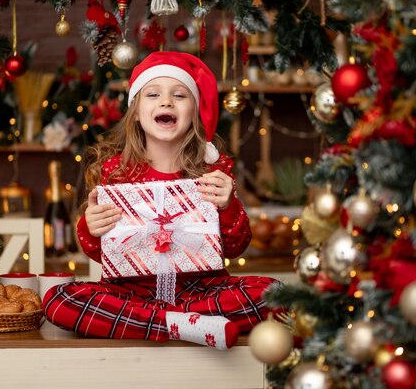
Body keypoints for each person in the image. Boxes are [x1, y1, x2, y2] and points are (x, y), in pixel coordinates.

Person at [43, 51, 277, 349]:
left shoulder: (213, 173)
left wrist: (228, 207)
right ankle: (179, 324)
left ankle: (156, 324)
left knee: (272, 293)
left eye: (179, 95)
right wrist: (90, 227)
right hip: (132, 292)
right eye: (153, 94)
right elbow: (103, 254)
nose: (166, 101)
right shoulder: (115, 173)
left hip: (201, 290)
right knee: (59, 299)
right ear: (136, 113)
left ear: (194, 112)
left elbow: (235, 247)